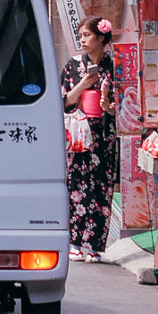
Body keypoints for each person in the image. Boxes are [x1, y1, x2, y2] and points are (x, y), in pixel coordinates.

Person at [62, 14, 118, 261]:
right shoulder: (73, 66)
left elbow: (124, 105)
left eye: (87, 35)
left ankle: (94, 245)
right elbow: (64, 102)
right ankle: (74, 241)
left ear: (101, 37)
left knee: (101, 189)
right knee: (76, 186)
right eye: (81, 35)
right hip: (78, 136)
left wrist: (110, 107)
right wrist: (83, 86)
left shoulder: (115, 66)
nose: (82, 40)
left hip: (104, 135)